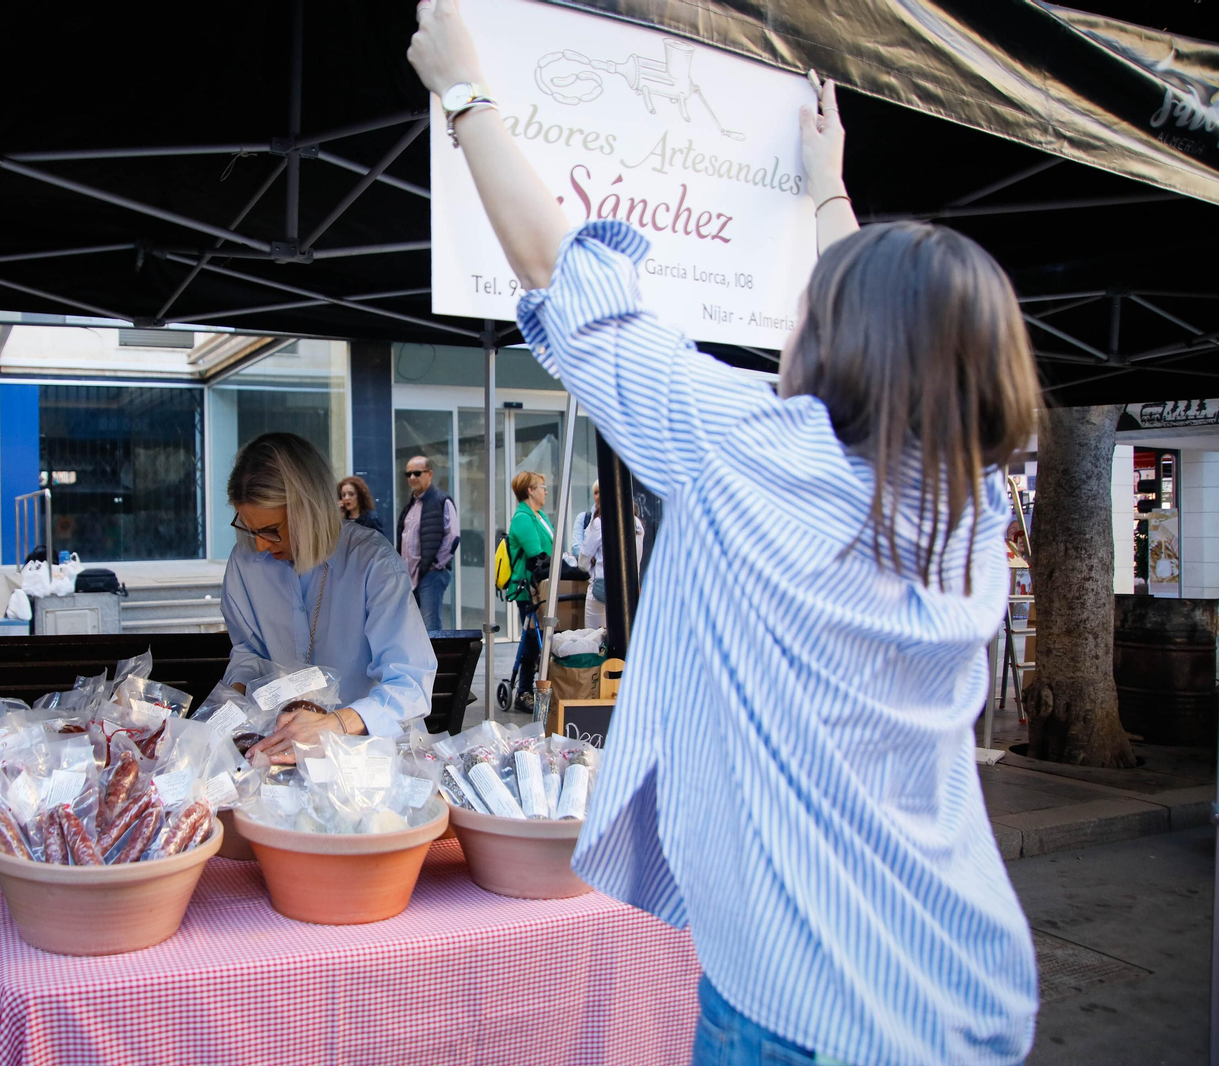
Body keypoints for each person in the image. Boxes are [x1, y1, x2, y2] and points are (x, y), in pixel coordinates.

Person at [410, 3, 1040, 1063]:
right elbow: (903, 343)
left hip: (804, 1020)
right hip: (966, 992)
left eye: (812, 307)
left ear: (834, 338)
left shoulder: (746, 451)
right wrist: (827, 189)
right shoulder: (972, 508)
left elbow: (568, 282)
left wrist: (465, 92)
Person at [221, 433, 436, 762]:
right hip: (280, 751)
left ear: (311, 510)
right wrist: (227, 711)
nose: (261, 546)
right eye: (251, 529)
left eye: (272, 530)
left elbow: (410, 681)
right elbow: (249, 652)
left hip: (368, 758)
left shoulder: (371, 562)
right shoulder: (245, 559)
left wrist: (335, 724)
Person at [396, 456, 460, 633]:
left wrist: (435, 564)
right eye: (408, 474)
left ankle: (436, 662)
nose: (412, 478)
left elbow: (453, 536)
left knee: (431, 629)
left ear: (430, 474)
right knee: (412, 629)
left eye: (417, 473)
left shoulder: (441, 500)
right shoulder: (411, 505)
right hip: (410, 577)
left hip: (430, 575)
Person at [506, 469, 553, 709]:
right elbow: (538, 555)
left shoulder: (539, 515)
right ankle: (523, 692)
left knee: (542, 637)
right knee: (534, 639)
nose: (545, 491)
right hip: (529, 590)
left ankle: (536, 688)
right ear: (530, 491)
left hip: (544, 587)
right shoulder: (523, 517)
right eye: (541, 486)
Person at [576, 480, 645, 631]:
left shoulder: (600, 523)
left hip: (601, 589)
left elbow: (582, 561)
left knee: (594, 640)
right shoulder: (637, 524)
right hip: (630, 588)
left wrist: (593, 568)